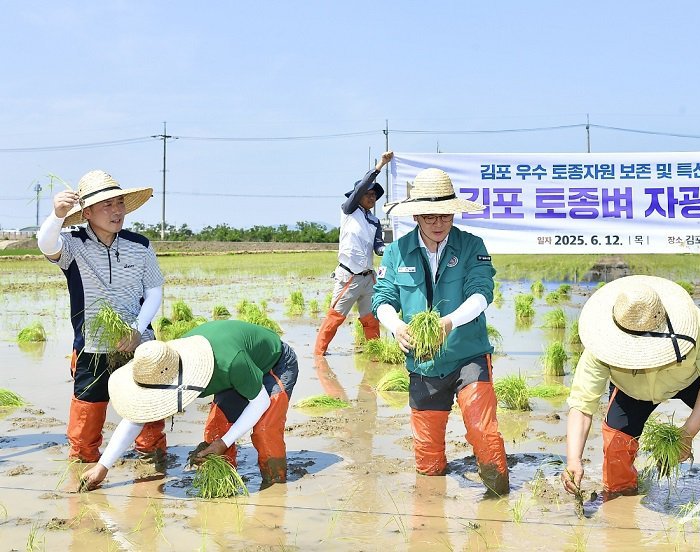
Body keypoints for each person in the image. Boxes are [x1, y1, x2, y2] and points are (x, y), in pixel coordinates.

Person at [561, 275, 700, 513]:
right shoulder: (600, 345)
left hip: (689, 381)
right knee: (616, 448)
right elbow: (582, 404)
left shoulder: (698, 326)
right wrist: (573, 459)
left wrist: (687, 433)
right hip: (632, 390)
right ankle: (621, 507)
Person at [372, 167, 509, 496]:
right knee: (428, 458)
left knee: (483, 431)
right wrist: (397, 326)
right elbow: (383, 299)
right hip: (423, 363)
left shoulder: (471, 245)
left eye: (445, 215)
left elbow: (481, 294)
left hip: (468, 355)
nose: (438, 223)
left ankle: (500, 498)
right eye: (430, 216)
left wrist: (449, 322)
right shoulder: (397, 251)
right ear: (416, 215)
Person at [36, 170, 166, 464]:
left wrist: (136, 329)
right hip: (92, 346)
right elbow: (46, 244)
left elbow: (154, 291)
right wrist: (57, 215)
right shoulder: (72, 244)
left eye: (119, 202)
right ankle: (84, 464)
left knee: (148, 410)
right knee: (88, 414)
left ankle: (151, 462)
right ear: (87, 212)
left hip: (139, 344)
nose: (117, 210)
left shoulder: (140, 245)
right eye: (107, 205)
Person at [80, 319, 299, 489]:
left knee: (265, 430)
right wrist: (102, 466)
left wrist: (225, 443)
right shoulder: (163, 364)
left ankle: (275, 485)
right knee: (215, 431)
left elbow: (260, 402)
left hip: (274, 364)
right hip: (234, 373)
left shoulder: (230, 362)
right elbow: (135, 419)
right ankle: (225, 484)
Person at [314, 151, 393, 356]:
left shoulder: (375, 221)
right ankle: (319, 354)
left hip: (368, 278)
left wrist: (389, 250)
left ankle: (374, 354)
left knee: (371, 318)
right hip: (349, 275)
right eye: (368, 194)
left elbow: (378, 246)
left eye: (374, 195)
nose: (372, 197)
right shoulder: (349, 211)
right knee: (336, 317)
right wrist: (380, 165)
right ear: (358, 196)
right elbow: (360, 188)